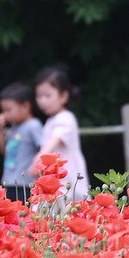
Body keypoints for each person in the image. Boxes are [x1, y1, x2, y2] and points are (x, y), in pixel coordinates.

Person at [33, 65, 89, 206]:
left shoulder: (65, 118)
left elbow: (52, 143)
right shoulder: (51, 120)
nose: (42, 101)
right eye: (39, 96)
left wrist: (38, 161)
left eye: (47, 95)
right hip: (56, 181)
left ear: (63, 96)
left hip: (68, 180)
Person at [0, 82, 42, 202]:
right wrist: (1, 129)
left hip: (26, 184)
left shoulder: (33, 126)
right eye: (3, 110)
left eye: (9, 110)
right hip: (8, 182)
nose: (5, 114)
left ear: (25, 106)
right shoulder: (14, 127)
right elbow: (3, 150)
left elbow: (44, 149)